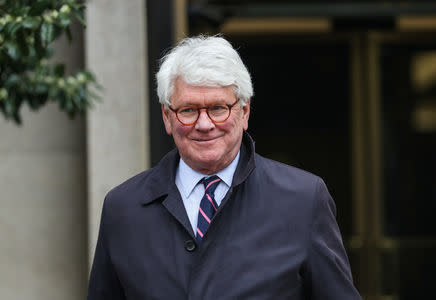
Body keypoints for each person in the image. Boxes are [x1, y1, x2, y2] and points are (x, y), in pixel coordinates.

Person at [87, 35, 361, 300]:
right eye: (188, 110)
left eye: (218, 108)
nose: (204, 125)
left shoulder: (303, 200)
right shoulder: (123, 208)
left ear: (244, 112)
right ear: (167, 117)